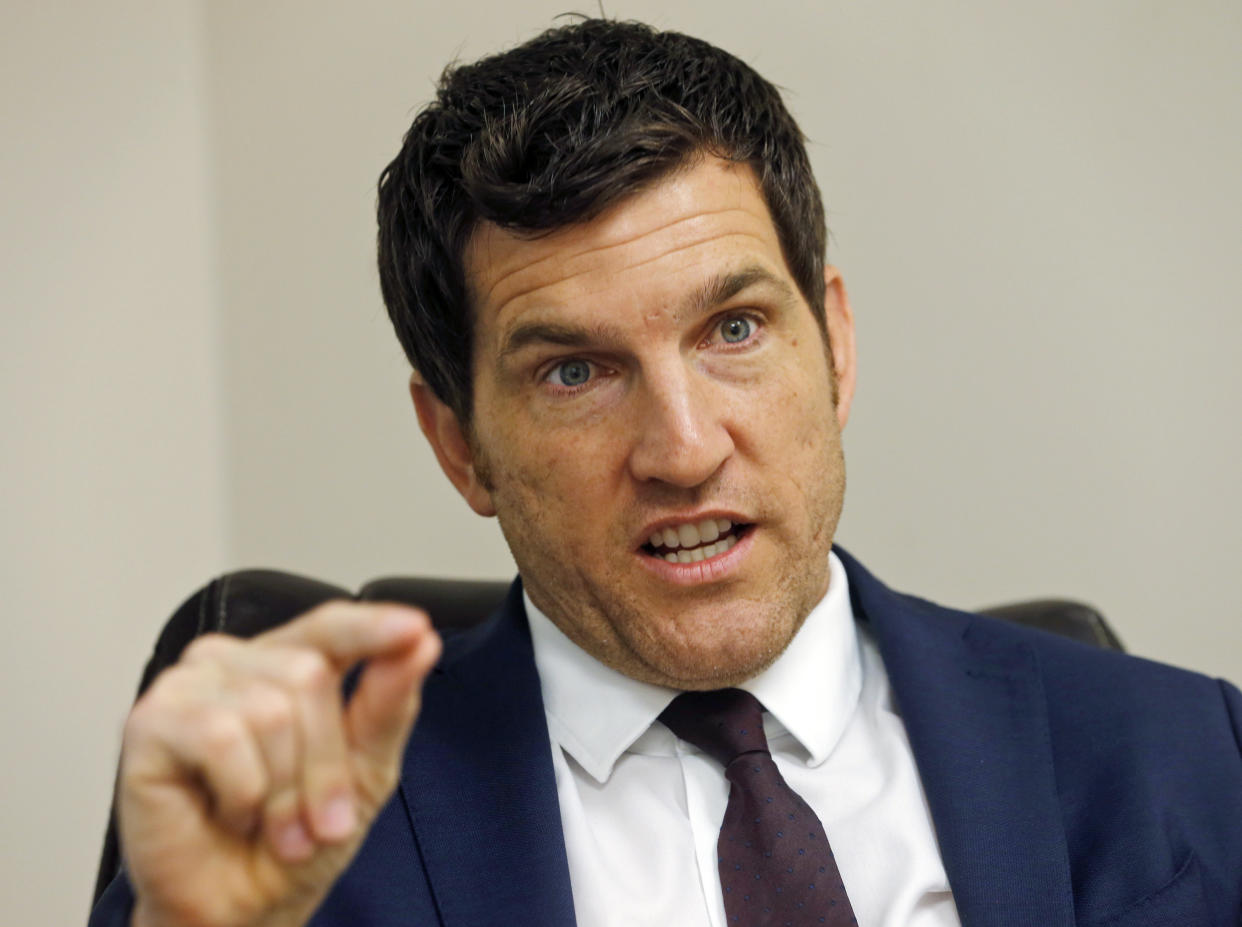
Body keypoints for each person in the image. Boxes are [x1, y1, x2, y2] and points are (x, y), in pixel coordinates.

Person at [90, 18, 1242, 927]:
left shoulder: (1188, 753)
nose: (685, 450)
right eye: (576, 373)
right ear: (459, 444)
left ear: (832, 347)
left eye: (733, 330)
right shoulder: (304, 837)